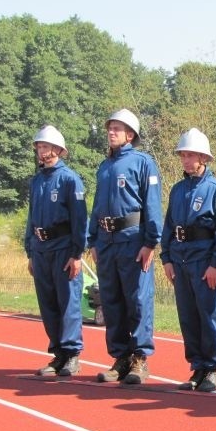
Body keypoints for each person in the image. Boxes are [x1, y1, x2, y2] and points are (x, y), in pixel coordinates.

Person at [88, 109, 162, 384]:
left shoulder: (143, 163)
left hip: (133, 240)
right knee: (112, 300)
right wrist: (92, 239)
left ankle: (140, 360)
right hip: (106, 243)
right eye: (110, 128)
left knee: (138, 300)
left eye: (117, 128)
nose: (111, 132)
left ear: (130, 135)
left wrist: (151, 241)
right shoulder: (104, 166)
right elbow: (96, 206)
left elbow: (152, 204)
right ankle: (120, 357)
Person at [161, 129, 216, 392]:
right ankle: (197, 367)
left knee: (209, 315)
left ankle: (213, 369)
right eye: (182, 154)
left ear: (203, 157)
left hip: (205, 262)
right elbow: (169, 226)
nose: (185, 159)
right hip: (180, 261)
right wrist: (166, 258)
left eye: (190, 154)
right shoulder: (178, 190)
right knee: (188, 316)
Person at [24, 125, 88, 377]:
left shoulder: (70, 179)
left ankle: (72, 354)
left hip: (63, 248)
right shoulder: (37, 181)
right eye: (39, 147)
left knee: (68, 302)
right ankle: (58, 353)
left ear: (58, 150)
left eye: (46, 146)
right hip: (40, 249)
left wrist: (77, 254)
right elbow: (31, 218)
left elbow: (80, 219)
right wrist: (29, 250)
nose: (41, 151)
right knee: (48, 303)